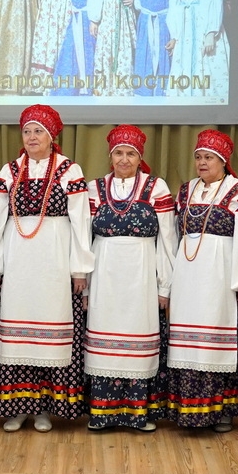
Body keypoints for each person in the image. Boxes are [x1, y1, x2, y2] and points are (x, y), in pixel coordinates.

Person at [0, 104, 93, 432]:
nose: (31, 137)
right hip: (18, 262)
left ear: (51, 136)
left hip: (54, 262)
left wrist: (79, 269)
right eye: (27, 131)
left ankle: (44, 409)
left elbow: (81, 222)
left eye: (38, 131)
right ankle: (17, 407)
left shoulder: (69, 170)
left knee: (51, 334)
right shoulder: (9, 171)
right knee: (17, 336)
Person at [164, 129, 238, 430]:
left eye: (209, 157)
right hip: (188, 276)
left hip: (222, 277)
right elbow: (174, 236)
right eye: (198, 157)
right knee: (188, 342)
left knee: (221, 340)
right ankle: (188, 408)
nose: (202, 163)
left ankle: (222, 410)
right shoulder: (186, 191)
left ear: (223, 161)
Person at [84, 125, 176, 431]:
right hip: (104, 275)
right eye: (119, 153)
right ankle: (102, 414)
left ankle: (138, 415)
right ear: (110, 157)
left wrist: (165, 285)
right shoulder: (94, 189)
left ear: (140, 158)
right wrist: (85, 287)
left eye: (131, 154)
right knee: (105, 338)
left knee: (139, 337)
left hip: (141, 276)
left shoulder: (156, 188)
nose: (124, 159)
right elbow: (84, 240)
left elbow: (167, 241)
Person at [132, 0, 172, 96]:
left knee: (161, 54)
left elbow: (174, 4)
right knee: (145, 53)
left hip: (162, 24)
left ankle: (159, 91)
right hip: (145, 21)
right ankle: (144, 91)